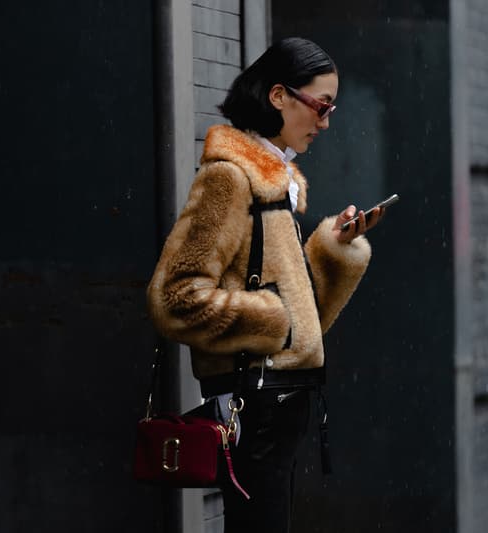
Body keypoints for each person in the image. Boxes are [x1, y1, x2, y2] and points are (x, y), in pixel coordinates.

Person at [147, 37, 383, 533]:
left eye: (331, 107)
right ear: (278, 96)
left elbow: (301, 312)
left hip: (280, 398)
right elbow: (176, 296)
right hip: (252, 400)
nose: (325, 121)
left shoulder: (275, 186)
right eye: (320, 105)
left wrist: (334, 248)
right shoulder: (231, 179)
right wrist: (270, 320)